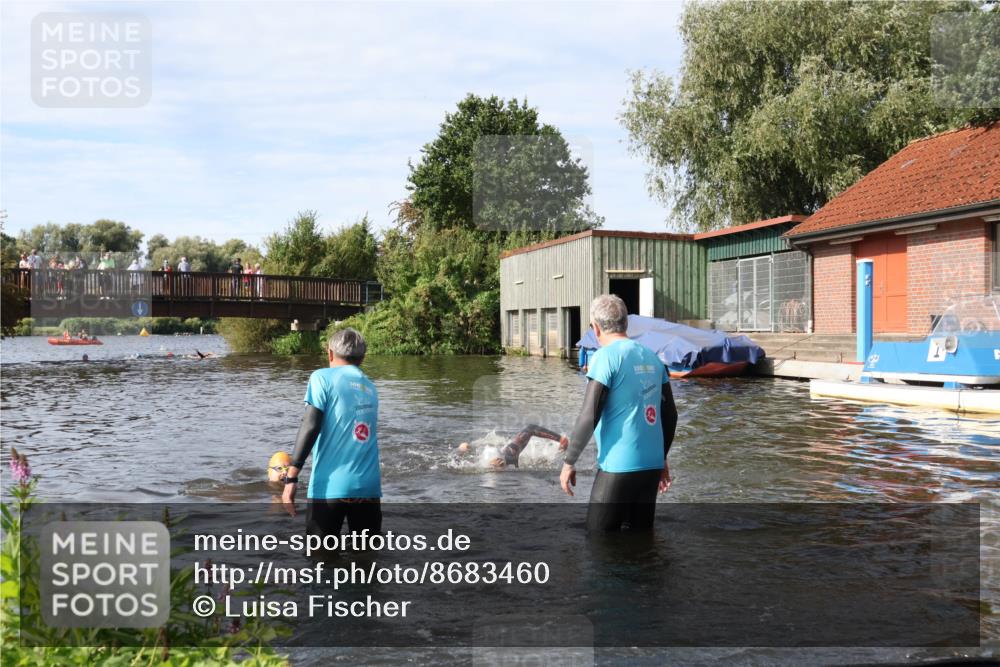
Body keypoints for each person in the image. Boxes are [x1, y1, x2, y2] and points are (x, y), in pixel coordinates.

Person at [559, 294, 678, 533]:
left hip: (618, 467)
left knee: (598, 542)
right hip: (652, 466)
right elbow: (671, 415)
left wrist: (569, 461)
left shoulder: (605, 357)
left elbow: (589, 414)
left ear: (595, 328)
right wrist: (662, 458)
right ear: (626, 323)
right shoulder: (652, 357)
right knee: (640, 542)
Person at [282, 329, 382, 537]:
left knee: (320, 559)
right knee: (366, 559)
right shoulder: (371, 387)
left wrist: (291, 477)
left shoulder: (321, 377)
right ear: (362, 358)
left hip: (331, 488)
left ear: (329, 353)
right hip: (369, 488)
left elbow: (310, 424)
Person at [482, 425, 568, 469]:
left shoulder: (510, 455)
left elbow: (531, 428)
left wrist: (561, 439)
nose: (499, 463)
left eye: (500, 462)